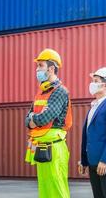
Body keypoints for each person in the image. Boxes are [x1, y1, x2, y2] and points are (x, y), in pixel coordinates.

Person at [24, 48, 72, 198]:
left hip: (55, 147)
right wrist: (32, 119)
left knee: (57, 189)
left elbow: (45, 118)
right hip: (41, 147)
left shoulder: (60, 91)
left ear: (51, 69)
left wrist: (34, 119)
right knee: (44, 189)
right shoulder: (41, 92)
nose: (37, 69)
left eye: (40, 66)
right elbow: (27, 119)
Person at [79, 67, 106, 198]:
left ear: (105, 84)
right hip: (92, 162)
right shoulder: (93, 107)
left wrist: (104, 160)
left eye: (95, 80)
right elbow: (88, 136)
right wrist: (84, 161)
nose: (92, 84)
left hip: (105, 163)